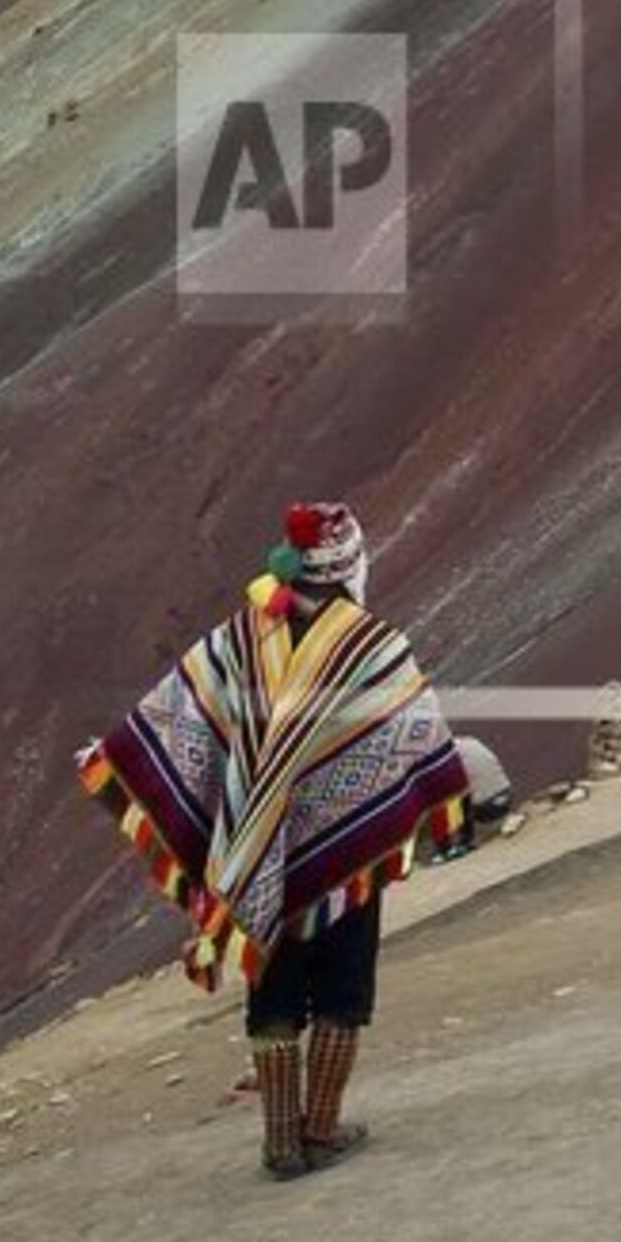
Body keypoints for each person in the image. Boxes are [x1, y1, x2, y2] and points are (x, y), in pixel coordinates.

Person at [78, 502, 467, 1180]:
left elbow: (183, 712)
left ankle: (280, 1142)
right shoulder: (374, 649)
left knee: (275, 987)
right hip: (345, 855)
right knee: (344, 989)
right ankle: (322, 1129)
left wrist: (119, 756)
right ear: (349, 568)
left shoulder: (239, 639)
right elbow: (415, 733)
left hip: (258, 856)